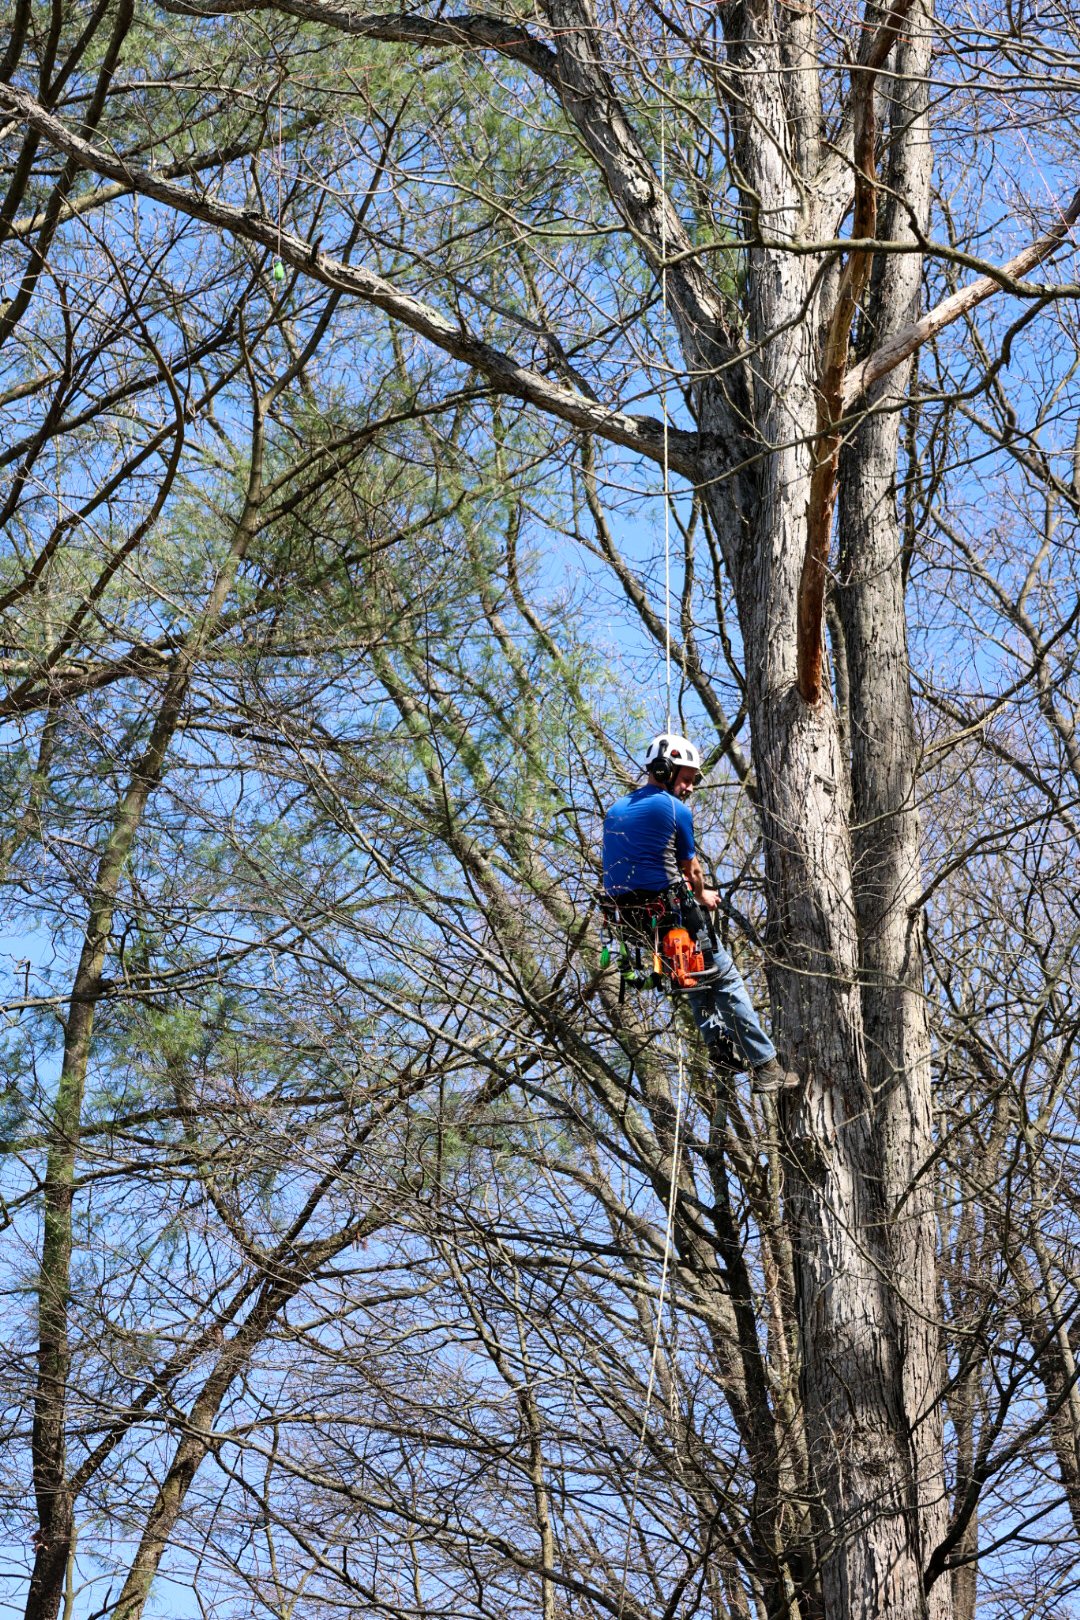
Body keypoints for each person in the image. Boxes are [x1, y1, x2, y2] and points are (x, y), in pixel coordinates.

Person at [602, 733, 797, 1095]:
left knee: (693, 973)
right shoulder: (675, 809)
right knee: (725, 979)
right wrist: (703, 894)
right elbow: (692, 871)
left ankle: (718, 1047)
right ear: (665, 769)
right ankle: (766, 1066)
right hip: (671, 913)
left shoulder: (615, 809)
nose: (690, 787)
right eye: (687, 778)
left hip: (640, 925)